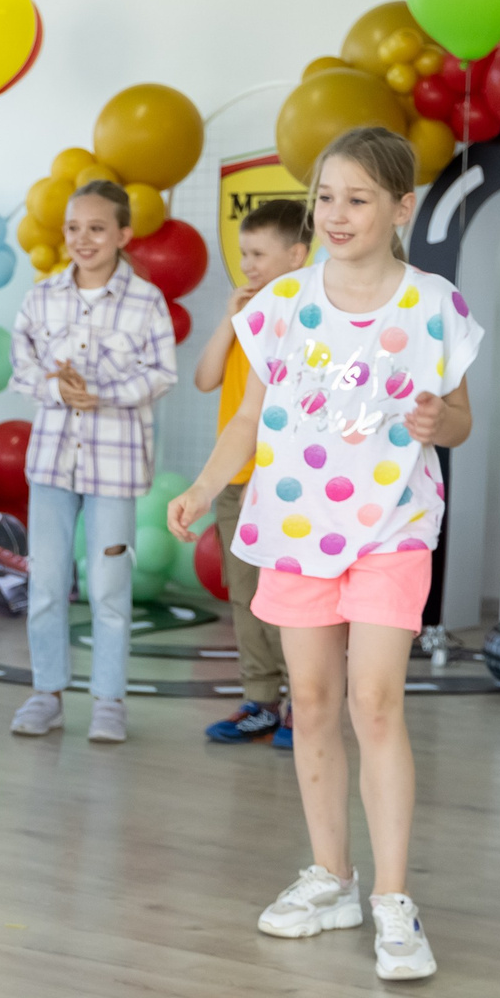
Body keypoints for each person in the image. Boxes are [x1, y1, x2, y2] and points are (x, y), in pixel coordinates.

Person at [168, 127, 480, 982]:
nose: (337, 215)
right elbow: (245, 420)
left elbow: (460, 417)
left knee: (375, 704)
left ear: (401, 208)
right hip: (293, 527)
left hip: (392, 528)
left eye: (358, 199)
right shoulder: (278, 307)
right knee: (310, 700)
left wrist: (435, 424)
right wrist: (201, 488)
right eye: (327, 198)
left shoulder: (433, 305)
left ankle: (392, 898)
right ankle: (330, 877)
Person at [6, 182, 179, 744]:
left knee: (108, 585)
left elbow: (162, 374)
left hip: (116, 469)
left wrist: (102, 394)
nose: (84, 239)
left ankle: (109, 700)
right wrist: (60, 393)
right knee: (48, 583)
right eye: (74, 228)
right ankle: (46, 694)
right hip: (51, 466)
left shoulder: (146, 302)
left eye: (97, 229)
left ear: (124, 235)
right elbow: (22, 363)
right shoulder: (42, 297)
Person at [194, 198, 308, 748]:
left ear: (298, 255)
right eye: (245, 253)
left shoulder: (308, 317)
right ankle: (260, 700)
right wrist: (228, 319)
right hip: (236, 481)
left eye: (260, 254)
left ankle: (299, 704)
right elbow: (205, 378)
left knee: (290, 599)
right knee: (245, 595)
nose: (249, 265)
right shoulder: (247, 317)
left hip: (287, 486)